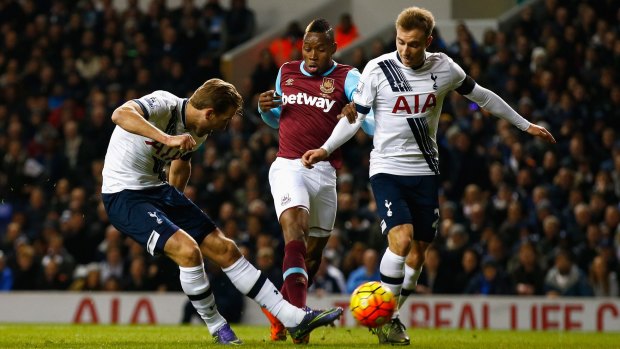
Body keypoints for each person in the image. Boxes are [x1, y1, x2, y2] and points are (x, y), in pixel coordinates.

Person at [302, 7, 556, 345]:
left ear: (429, 42)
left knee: (419, 253)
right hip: (387, 169)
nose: (406, 50)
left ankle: (391, 312)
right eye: (401, 42)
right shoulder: (378, 69)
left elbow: (482, 97)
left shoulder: (444, 67)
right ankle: (387, 319)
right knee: (401, 240)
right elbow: (354, 118)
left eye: (414, 44)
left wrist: (525, 125)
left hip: (426, 172)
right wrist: (325, 147)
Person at [100, 78, 342, 344]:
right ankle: (218, 327)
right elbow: (120, 114)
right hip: (123, 195)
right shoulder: (164, 104)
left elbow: (181, 164)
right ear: (209, 113)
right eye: (224, 120)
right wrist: (166, 138)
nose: (224, 127)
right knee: (189, 251)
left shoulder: (199, 133)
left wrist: (175, 203)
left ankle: (293, 318)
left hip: (159, 191)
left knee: (226, 249)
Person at [257, 18, 373, 343]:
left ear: (333, 48)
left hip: (325, 173)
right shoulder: (286, 72)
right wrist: (264, 109)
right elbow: (278, 119)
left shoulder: (348, 76)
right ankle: (299, 323)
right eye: (307, 47)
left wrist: (358, 112)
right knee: (295, 227)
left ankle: (279, 310)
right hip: (288, 165)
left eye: (319, 49)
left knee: (312, 257)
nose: (311, 55)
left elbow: (369, 120)